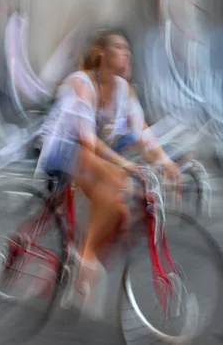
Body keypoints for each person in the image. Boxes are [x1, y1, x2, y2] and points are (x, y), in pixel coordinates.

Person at [37, 28, 180, 318]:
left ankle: (76, 259)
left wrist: (166, 162)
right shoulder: (82, 83)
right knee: (117, 180)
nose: (127, 54)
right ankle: (85, 260)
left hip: (90, 157)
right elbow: (87, 141)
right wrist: (125, 166)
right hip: (61, 149)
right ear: (102, 53)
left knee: (121, 214)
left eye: (128, 50)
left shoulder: (125, 90)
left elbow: (143, 135)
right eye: (119, 48)